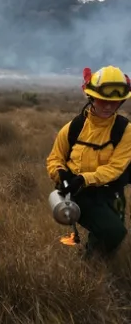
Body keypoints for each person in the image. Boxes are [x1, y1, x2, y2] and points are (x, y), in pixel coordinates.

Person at [46, 66, 131, 260]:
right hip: (79, 194)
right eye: (103, 100)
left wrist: (83, 178)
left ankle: (94, 267)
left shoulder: (125, 131)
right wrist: (61, 175)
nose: (108, 106)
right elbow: (55, 158)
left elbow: (115, 168)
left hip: (112, 193)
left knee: (109, 237)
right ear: (91, 98)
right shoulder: (73, 128)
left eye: (114, 102)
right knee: (114, 232)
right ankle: (88, 264)